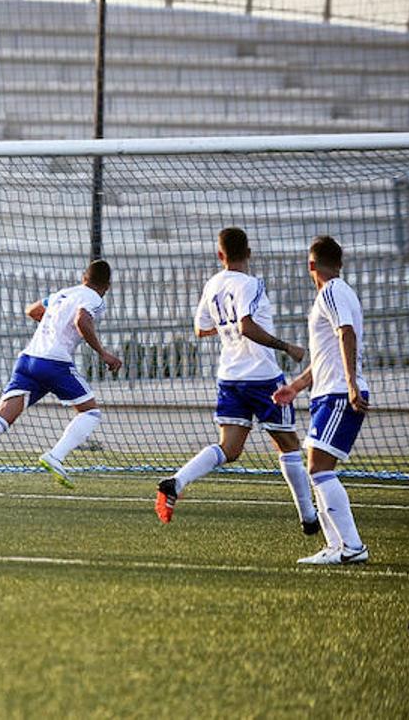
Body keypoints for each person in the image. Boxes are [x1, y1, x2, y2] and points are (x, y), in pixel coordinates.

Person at [156, 228, 318, 533]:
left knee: (229, 449)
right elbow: (246, 326)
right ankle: (309, 518)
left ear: (221, 255)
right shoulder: (251, 284)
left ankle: (177, 481)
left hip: (229, 377)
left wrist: (224, 326)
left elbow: (200, 329)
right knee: (290, 446)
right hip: (262, 376)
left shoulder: (213, 283)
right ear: (249, 252)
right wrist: (288, 347)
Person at [0, 260, 122, 504]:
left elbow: (32, 310)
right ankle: (55, 456)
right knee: (90, 413)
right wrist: (103, 353)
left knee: (1, 417)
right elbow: (82, 320)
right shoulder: (95, 299)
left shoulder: (63, 293)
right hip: (55, 363)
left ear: (84, 277)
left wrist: (52, 324)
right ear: (106, 286)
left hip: (28, 360)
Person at [273, 236, 370, 565]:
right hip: (329, 391)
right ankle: (335, 546)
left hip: (339, 393)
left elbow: (346, 333)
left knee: (318, 468)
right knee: (317, 469)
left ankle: (352, 546)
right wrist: (297, 386)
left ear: (311, 265)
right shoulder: (339, 292)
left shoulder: (330, 291)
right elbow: (328, 353)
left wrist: (352, 385)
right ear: (339, 262)